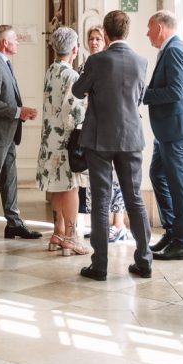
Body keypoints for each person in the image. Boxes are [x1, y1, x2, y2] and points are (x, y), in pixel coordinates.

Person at [72, 10, 152, 281]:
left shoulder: (97, 60)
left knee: (101, 200)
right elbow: (139, 97)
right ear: (126, 32)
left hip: (100, 138)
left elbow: (77, 91)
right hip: (131, 137)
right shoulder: (141, 61)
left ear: (105, 34)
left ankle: (100, 265)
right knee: (134, 198)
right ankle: (144, 260)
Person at [143, 10, 183, 261]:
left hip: (174, 129)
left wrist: (143, 94)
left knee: (179, 184)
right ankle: (171, 231)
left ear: (160, 27)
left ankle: (181, 242)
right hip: (168, 128)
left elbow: (176, 91)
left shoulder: (175, 50)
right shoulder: (172, 49)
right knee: (157, 174)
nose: (147, 34)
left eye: (149, 28)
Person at [0, 24, 42, 245]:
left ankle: (13, 223)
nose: (17, 42)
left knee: (9, 181)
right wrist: (18, 112)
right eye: (15, 39)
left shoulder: (4, 63)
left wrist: (19, 113)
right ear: (4, 43)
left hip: (9, 133)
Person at [36, 26, 90, 256]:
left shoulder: (50, 70)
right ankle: (71, 237)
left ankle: (57, 233)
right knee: (70, 187)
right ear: (74, 49)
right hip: (67, 141)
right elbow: (75, 113)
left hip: (50, 139)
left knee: (57, 186)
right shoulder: (72, 76)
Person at [84, 26, 128, 243]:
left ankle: (118, 225)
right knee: (95, 182)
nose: (94, 42)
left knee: (116, 179)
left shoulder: (110, 62)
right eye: (91, 38)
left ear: (106, 41)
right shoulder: (87, 63)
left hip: (113, 128)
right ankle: (100, 227)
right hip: (93, 127)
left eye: (98, 39)